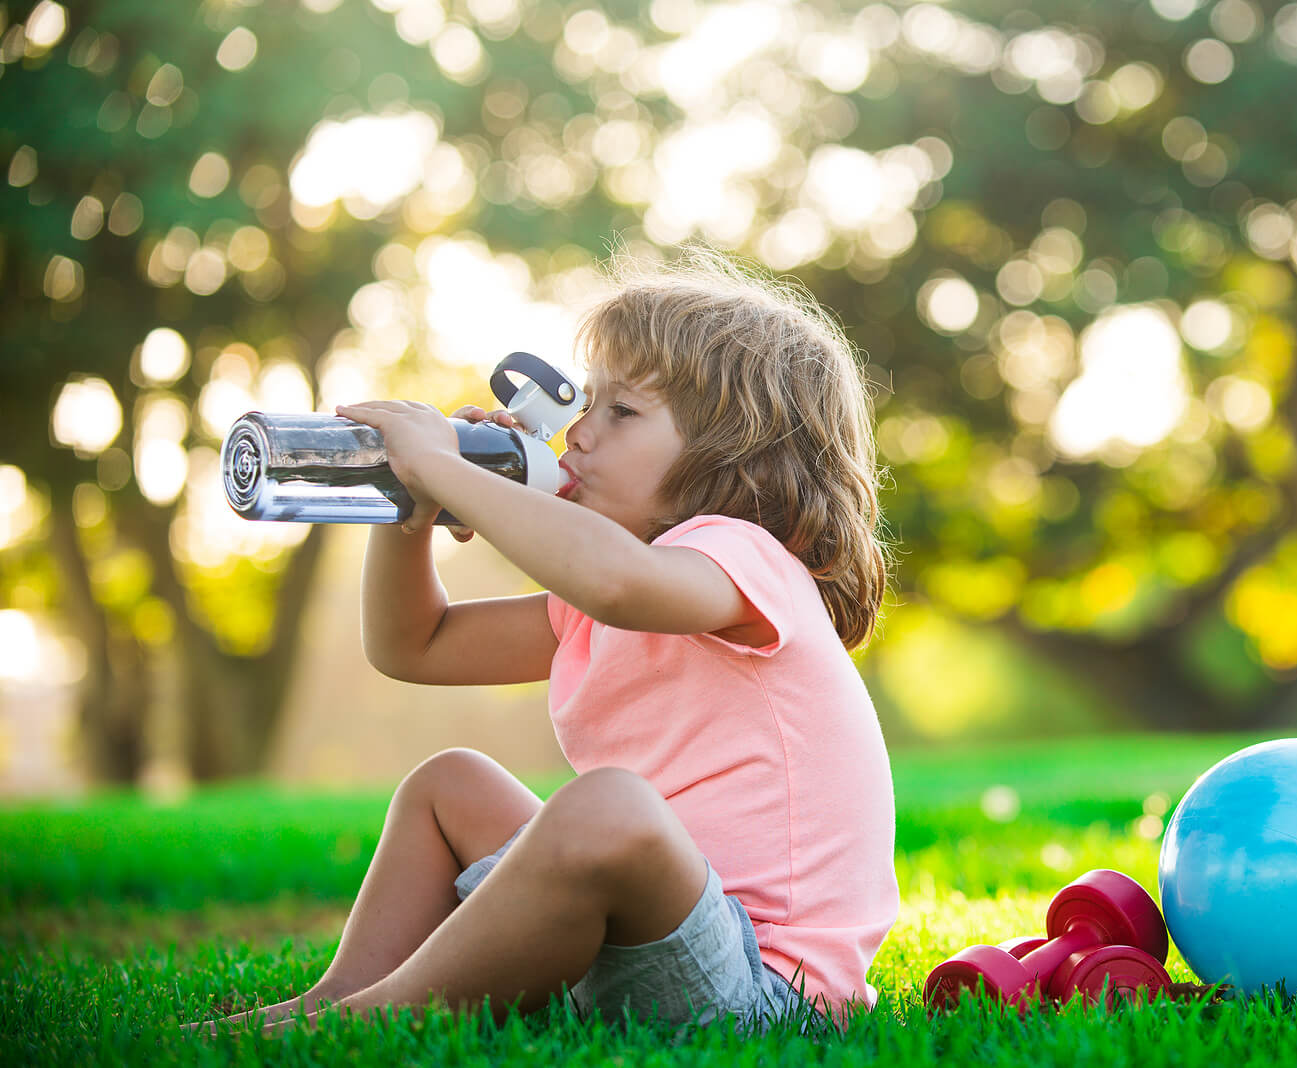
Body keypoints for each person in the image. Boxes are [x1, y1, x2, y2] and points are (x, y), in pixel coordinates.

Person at [186, 252, 898, 1037]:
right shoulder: (593, 602)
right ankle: (335, 1001)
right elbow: (414, 646)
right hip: (647, 935)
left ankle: (364, 1025)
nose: (578, 435)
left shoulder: (745, 557)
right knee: (449, 784)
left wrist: (454, 474)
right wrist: (413, 506)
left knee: (610, 805)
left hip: (763, 989)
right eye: (583, 404)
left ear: (735, 457)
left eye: (621, 412)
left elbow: (615, 580)